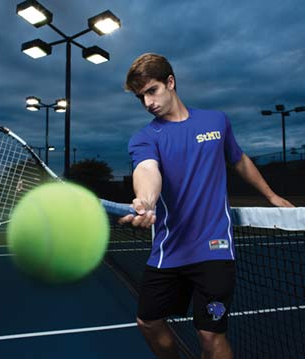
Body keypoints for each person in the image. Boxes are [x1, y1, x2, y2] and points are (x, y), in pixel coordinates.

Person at [119, 53, 294, 359]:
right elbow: (147, 170)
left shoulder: (216, 121)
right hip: (168, 250)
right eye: (140, 97)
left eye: (152, 91)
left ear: (170, 82)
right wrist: (145, 200)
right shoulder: (145, 138)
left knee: (211, 335)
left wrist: (270, 195)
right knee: (147, 322)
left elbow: (238, 160)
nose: (148, 103)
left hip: (215, 249)